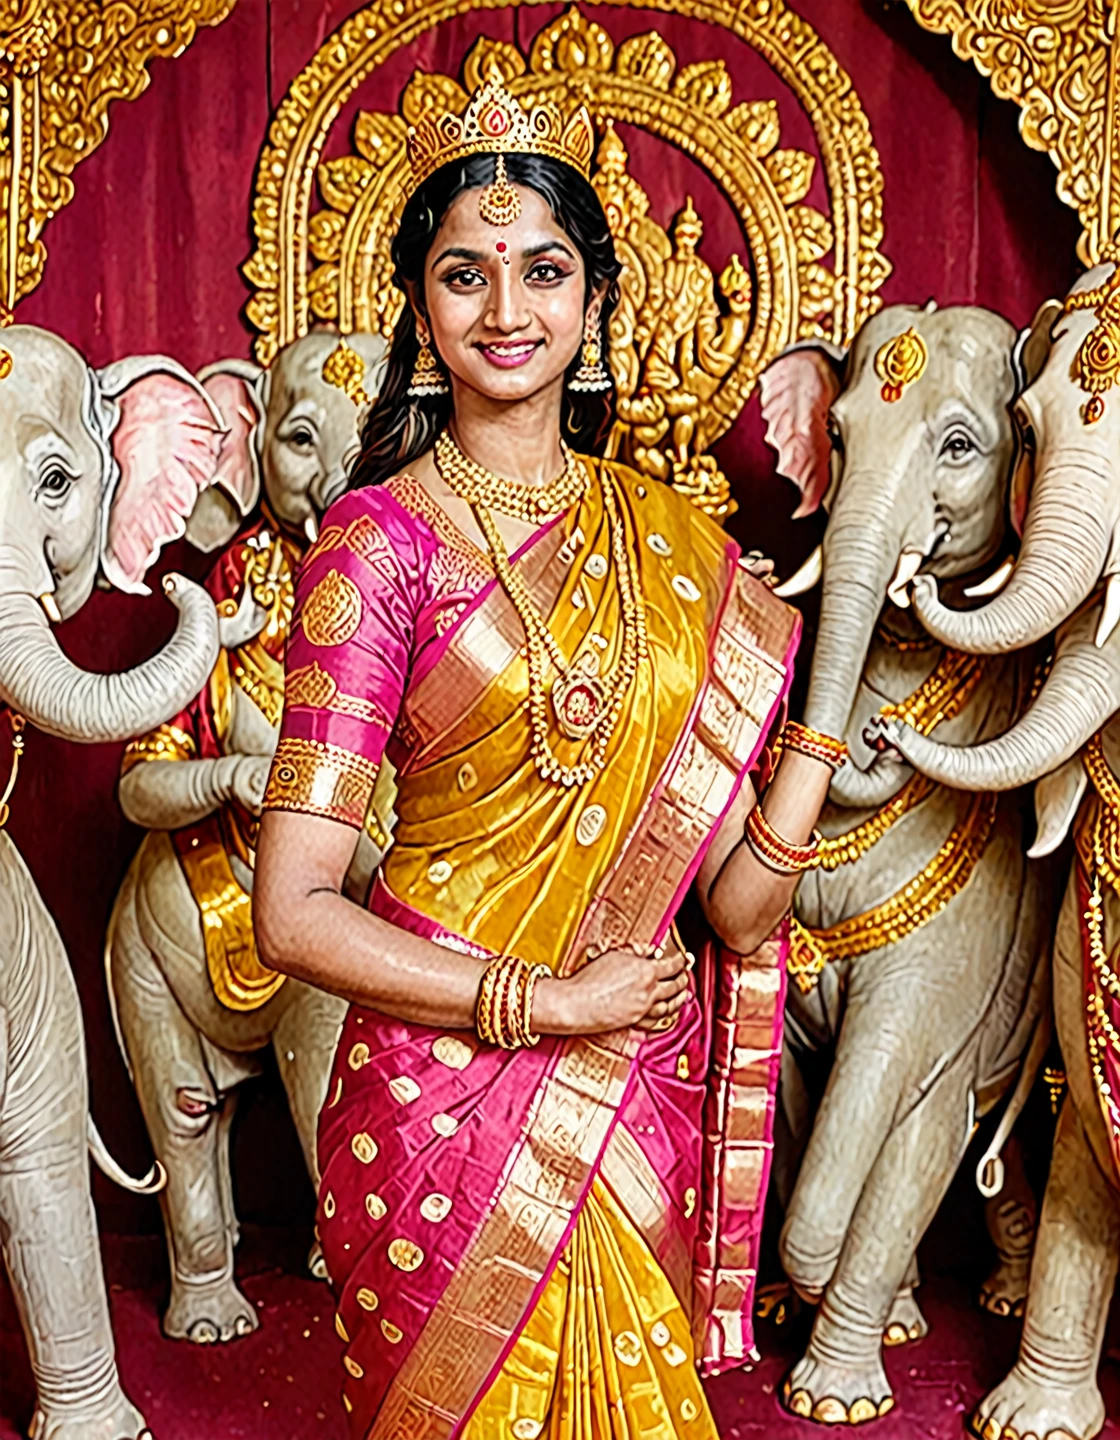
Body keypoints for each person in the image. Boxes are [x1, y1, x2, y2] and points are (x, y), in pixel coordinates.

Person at [253, 70, 839, 1440]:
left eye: (543, 270)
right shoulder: (373, 549)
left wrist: (815, 739)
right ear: (419, 307)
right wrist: (545, 1004)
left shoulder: (685, 553)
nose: (506, 311)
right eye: (465, 274)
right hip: (438, 1111)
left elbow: (738, 912)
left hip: (631, 1096)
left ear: (594, 302)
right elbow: (292, 912)